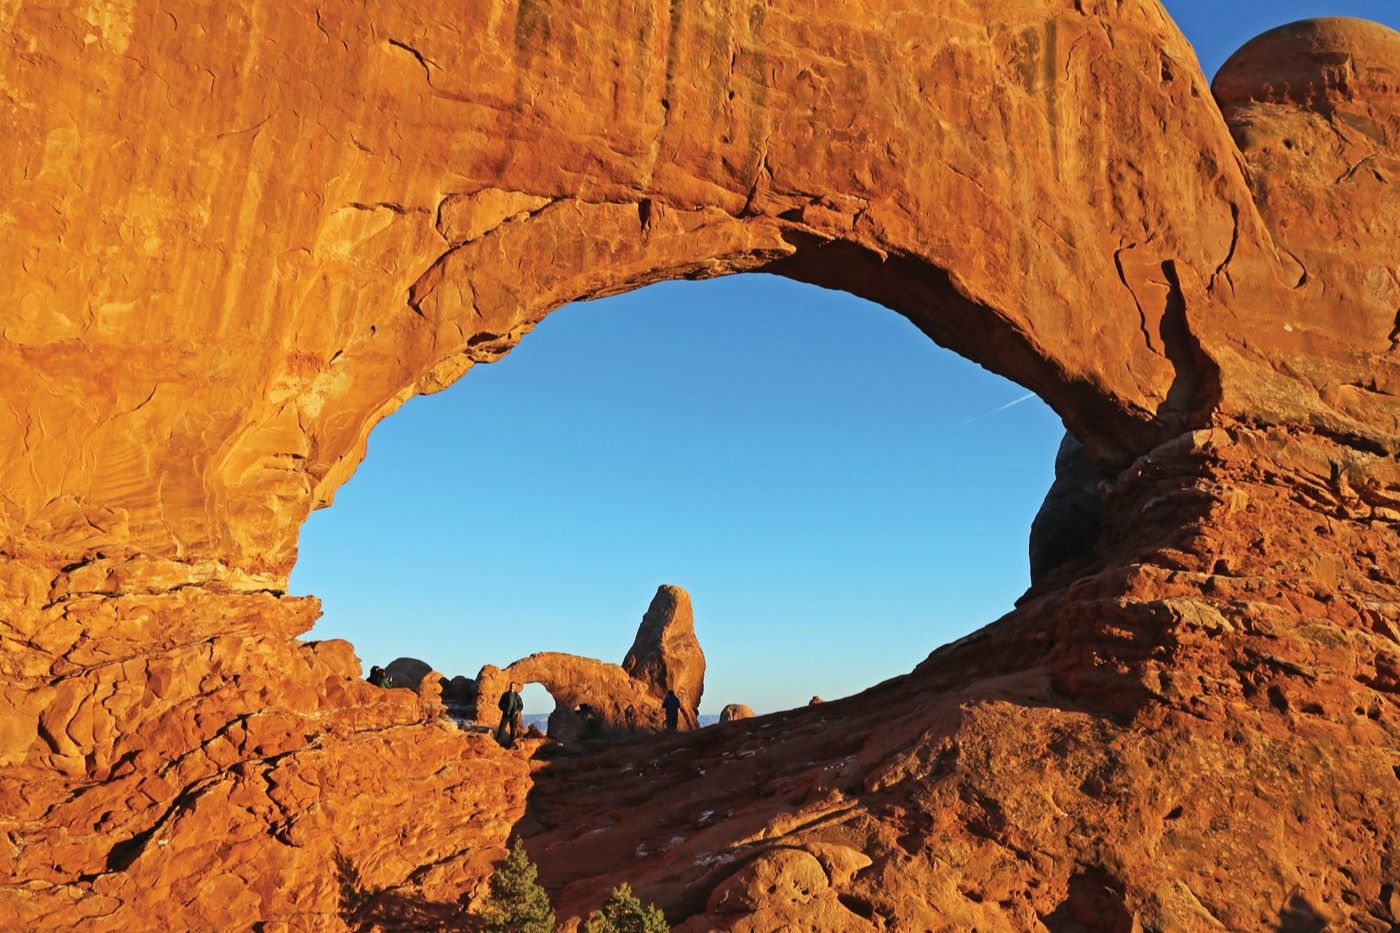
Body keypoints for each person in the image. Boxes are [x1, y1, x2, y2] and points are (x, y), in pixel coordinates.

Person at [496, 681, 524, 747]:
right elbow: (500, 704)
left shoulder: (517, 696)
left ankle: (510, 745)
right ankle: (497, 743)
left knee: (513, 731)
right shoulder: (505, 695)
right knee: (501, 729)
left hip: (514, 716)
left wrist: (517, 710)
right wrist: (504, 709)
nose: (512, 687)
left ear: (515, 687)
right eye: (511, 685)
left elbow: (521, 705)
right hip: (506, 715)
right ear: (510, 686)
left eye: (513, 686)